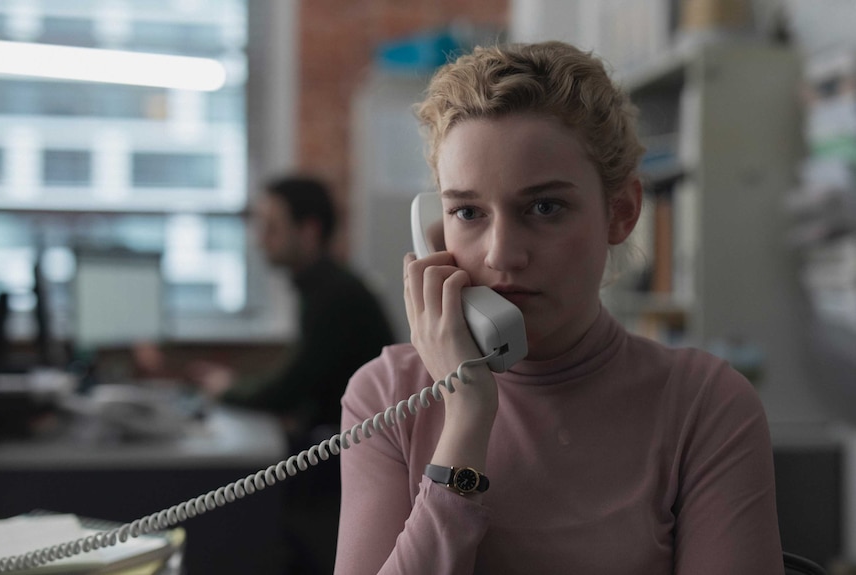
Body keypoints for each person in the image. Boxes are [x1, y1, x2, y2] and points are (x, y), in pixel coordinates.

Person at [334, 41, 783, 574]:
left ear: (620, 213)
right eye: (469, 211)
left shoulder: (705, 406)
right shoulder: (386, 397)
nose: (502, 253)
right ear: (435, 228)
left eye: (544, 207)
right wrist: (465, 417)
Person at [188, 174, 396, 574]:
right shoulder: (323, 287)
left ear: (309, 230)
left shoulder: (334, 296)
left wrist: (227, 389)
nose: (259, 238)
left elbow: (290, 385)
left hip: (350, 474)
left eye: (271, 227)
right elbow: (304, 374)